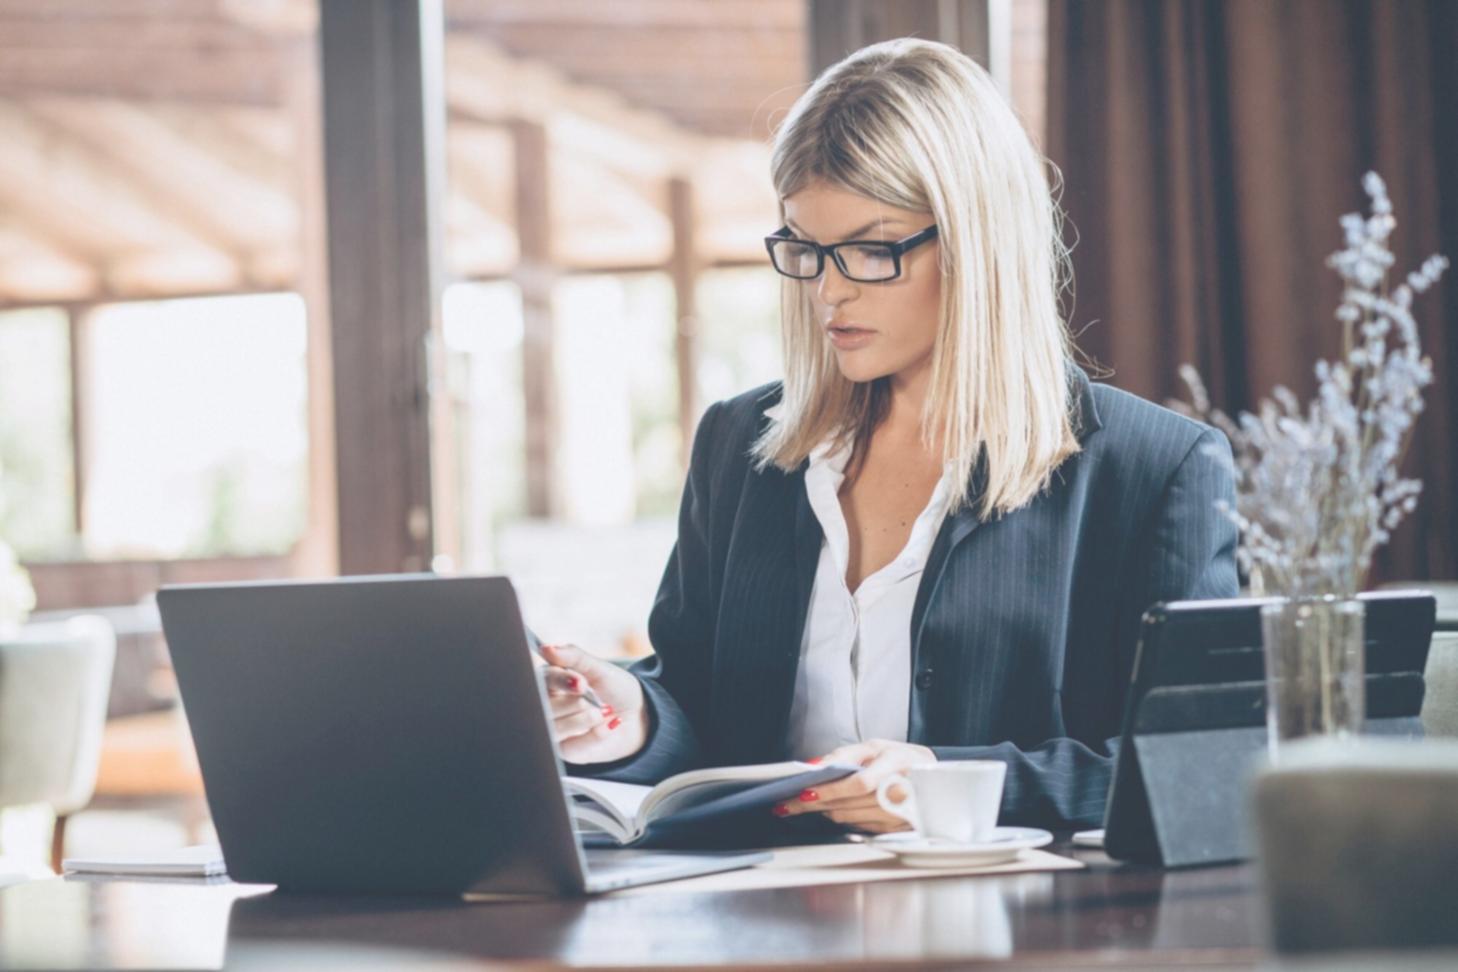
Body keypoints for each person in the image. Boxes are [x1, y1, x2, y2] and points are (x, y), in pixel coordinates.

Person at [536, 37, 1238, 833]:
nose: (830, 292)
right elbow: (697, 703)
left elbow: (1197, 769)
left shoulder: (1155, 469)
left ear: (979, 243)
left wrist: (942, 783)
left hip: (1023, 932)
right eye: (806, 248)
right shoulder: (740, 446)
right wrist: (629, 713)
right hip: (760, 925)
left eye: (873, 250)